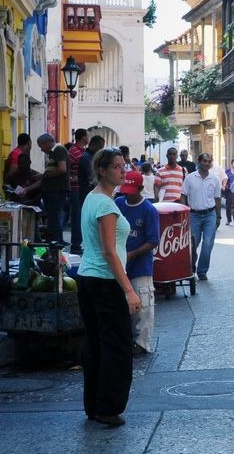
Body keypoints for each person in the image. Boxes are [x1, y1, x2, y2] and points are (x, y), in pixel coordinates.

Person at [77, 147, 140, 427]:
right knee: (117, 347)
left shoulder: (92, 199)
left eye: (123, 165)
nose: (122, 170)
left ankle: (94, 405)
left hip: (90, 278)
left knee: (96, 344)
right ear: (101, 170)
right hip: (105, 281)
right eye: (116, 166)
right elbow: (109, 251)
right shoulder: (104, 204)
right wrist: (128, 289)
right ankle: (108, 407)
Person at [115, 171, 160, 357]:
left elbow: (153, 240)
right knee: (122, 304)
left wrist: (132, 254)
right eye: (125, 190)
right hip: (119, 261)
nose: (127, 194)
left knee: (143, 305)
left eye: (131, 191)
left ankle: (142, 343)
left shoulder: (149, 210)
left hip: (140, 264)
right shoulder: (117, 204)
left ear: (141, 189)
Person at [181, 153, 222, 281]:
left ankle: (202, 271)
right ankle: (190, 268)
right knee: (193, 244)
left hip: (210, 214)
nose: (207, 163)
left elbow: (217, 199)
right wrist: (185, 213)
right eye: (204, 161)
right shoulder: (190, 178)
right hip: (194, 215)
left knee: (208, 244)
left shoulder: (214, 179)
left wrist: (218, 217)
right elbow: (183, 196)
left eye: (209, 161)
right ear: (199, 161)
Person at [35, 134, 70, 243]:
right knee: (53, 216)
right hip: (53, 191)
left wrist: (45, 175)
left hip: (56, 191)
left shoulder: (59, 150)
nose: (41, 149)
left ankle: (56, 241)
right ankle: (57, 239)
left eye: (41, 146)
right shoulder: (54, 153)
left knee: (54, 217)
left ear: (47, 143)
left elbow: (62, 169)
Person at [68, 128, 89, 255]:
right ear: (83, 137)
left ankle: (78, 243)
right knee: (77, 217)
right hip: (75, 189)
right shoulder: (74, 152)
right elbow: (68, 170)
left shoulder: (81, 151)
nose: (88, 138)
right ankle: (75, 244)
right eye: (87, 136)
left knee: (80, 217)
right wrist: (75, 178)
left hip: (80, 189)